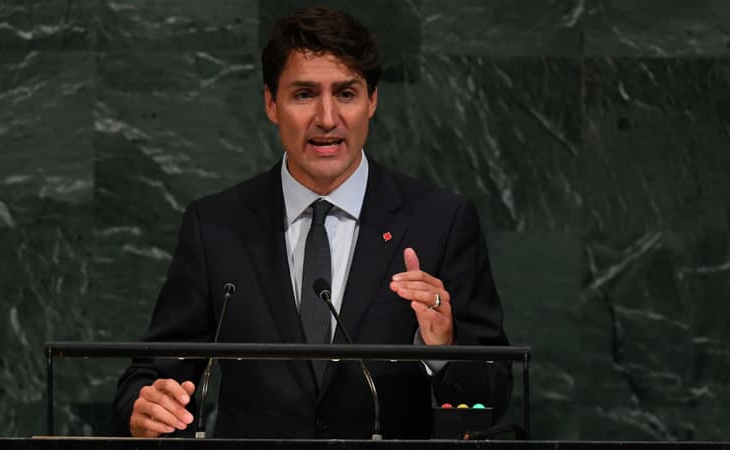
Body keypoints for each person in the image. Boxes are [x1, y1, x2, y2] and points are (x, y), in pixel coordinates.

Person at [114, 7, 511, 439]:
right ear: (271, 103)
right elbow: (151, 374)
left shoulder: (440, 221)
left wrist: (445, 347)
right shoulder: (216, 227)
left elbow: (494, 396)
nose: (326, 118)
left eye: (346, 93)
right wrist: (146, 405)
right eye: (304, 94)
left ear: (372, 100)